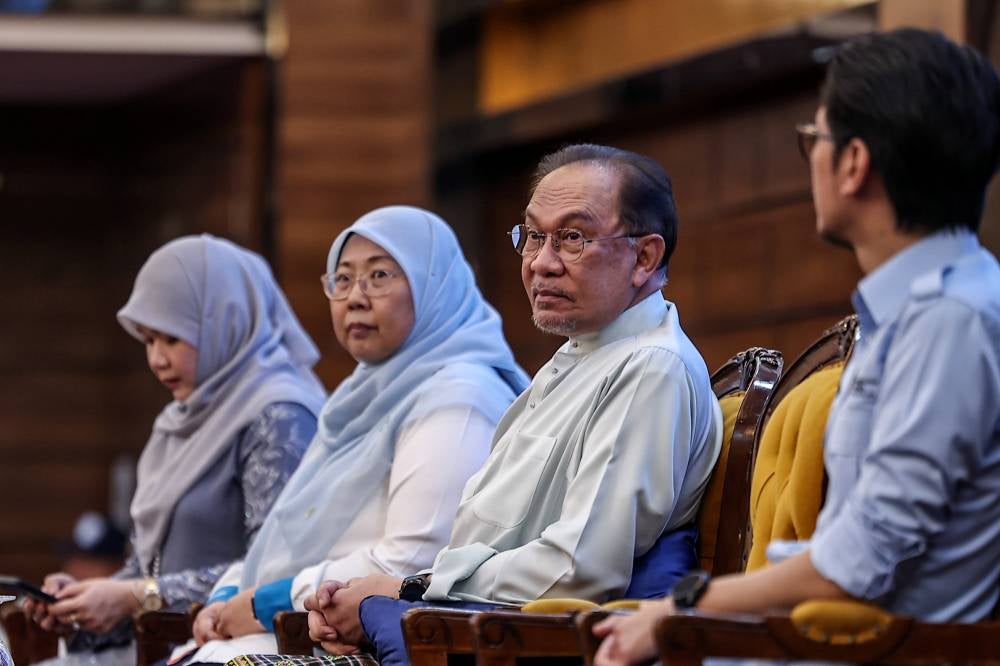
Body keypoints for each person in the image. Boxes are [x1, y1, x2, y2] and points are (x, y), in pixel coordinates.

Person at [593, 28, 1000, 665]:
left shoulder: (949, 319)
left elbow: (856, 564)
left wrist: (682, 609)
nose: (809, 159)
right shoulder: (926, 310)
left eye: (812, 139)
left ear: (854, 163)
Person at [298, 144, 723, 665]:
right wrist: (386, 595)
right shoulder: (581, 356)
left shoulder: (650, 367)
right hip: (475, 627)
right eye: (534, 237)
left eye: (571, 237)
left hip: (521, 645)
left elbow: (582, 566)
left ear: (644, 257)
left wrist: (409, 591)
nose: (541, 264)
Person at [175, 206, 528, 664]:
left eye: (380, 275)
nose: (355, 297)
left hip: (366, 637)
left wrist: (268, 602)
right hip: (299, 625)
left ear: (435, 284)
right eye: (341, 279)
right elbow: (287, 532)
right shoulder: (359, 399)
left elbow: (415, 561)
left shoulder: (459, 396)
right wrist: (227, 595)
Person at [28, 235, 326, 666]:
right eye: (148, 340)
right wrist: (83, 601)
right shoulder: (182, 420)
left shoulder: (279, 417)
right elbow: (149, 571)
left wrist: (133, 597)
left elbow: (275, 573)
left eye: (171, 338)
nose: (157, 360)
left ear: (226, 322)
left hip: (228, 652)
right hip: (155, 645)